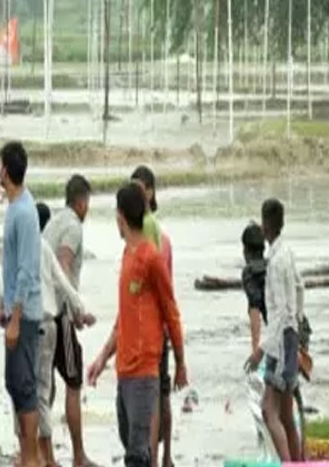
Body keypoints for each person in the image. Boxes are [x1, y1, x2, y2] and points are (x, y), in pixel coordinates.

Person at [88, 183, 187, 467]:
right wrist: (102, 358)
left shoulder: (151, 258)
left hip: (145, 371)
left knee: (138, 455)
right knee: (130, 443)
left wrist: (180, 362)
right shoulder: (127, 255)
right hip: (124, 370)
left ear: (120, 217)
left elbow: (171, 312)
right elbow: (124, 317)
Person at [245, 199, 303, 463]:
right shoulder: (288, 253)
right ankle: (299, 461)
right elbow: (300, 289)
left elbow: (277, 312)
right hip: (290, 334)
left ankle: (289, 463)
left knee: (270, 411)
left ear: (267, 225)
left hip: (280, 342)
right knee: (286, 413)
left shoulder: (276, 262)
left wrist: (261, 350)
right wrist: (297, 324)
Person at [43, 175, 95, 467]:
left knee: (45, 385)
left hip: (43, 312)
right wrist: (76, 310)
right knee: (73, 381)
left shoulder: (54, 221)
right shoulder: (73, 226)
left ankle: (42, 453)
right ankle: (78, 456)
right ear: (82, 201)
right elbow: (63, 264)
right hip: (59, 312)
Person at [0, 141, 43, 467]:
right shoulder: (14, 207)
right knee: (14, 382)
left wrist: (15, 318)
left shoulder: (25, 213)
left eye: (1, 166)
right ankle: (27, 453)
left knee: (24, 385)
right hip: (15, 311)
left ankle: (32, 457)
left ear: (6, 171)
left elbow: (27, 270)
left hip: (25, 315)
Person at [131, 166, 174, 467]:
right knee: (160, 393)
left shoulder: (150, 231)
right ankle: (163, 456)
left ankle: (156, 457)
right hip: (157, 324)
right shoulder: (155, 232)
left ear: (149, 191)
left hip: (152, 326)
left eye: (138, 188)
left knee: (154, 395)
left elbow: (151, 282)